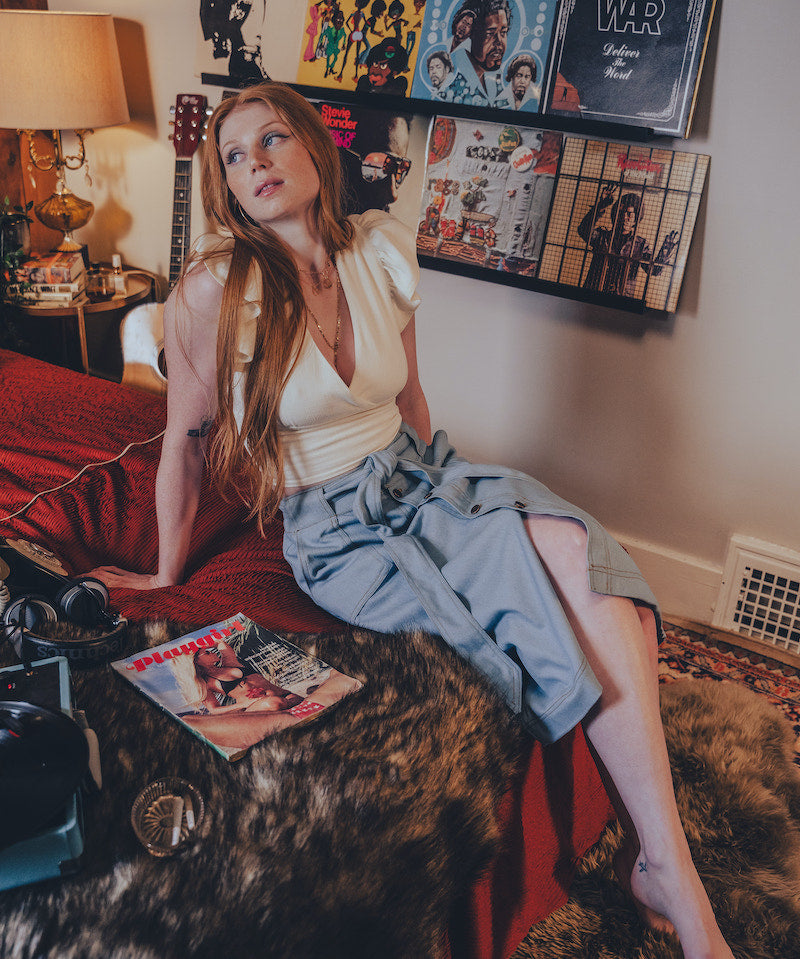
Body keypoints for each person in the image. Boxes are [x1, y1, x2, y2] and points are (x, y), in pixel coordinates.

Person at [89, 81, 733, 959]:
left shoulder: (378, 253)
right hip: (337, 529)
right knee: (516, 623)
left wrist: (460, 507)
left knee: (582, 554)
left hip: (422, 478)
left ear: (316, 150)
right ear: (226, 187)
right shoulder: (213, 289)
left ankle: (668, 870)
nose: (256, 165)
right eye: (234, 157)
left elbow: (414, 396)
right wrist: (165, 578)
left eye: (273, 140)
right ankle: (679, 889)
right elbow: (187, 442)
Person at [578, 184, 679, 298]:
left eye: (630, 214)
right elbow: (583, 230)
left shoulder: (640, 245)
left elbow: (654, 270)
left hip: (622, 298)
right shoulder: (602, 236)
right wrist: (601, 205)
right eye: (621, 213)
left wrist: (665, 250)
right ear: (615, 215)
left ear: (636, 218)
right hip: (594, 293)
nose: (625, 217)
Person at [436, 0, 510, 107]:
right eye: (490, 33)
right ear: (471, 34)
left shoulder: (502, 85)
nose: (499, 41)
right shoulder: (449, 82)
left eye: (503, 32)